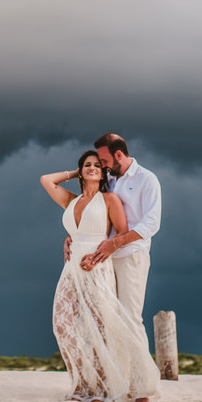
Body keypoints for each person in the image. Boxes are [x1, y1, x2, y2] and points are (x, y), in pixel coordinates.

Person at [41, 151, 160, 402]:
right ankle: (83, 383)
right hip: (71, 267)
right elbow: (46, 180)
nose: (92, 168)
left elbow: (121, 233)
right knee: (63, 325)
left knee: (99, 328)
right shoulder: (71, 201)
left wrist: (98, 255)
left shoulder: (109, 199)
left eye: (97, 165)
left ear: (104, 172)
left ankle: (102, 388)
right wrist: (78, 172)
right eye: (87, 165)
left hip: (96, 264)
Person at [64, 134, 162, 330]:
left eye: (104, 161)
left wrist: (116, 243)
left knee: (130, 318)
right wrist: (73, 236)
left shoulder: (146, 179)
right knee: (106, 317)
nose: (102, 166)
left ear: (118, 155)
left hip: (131, 254)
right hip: (102, 258)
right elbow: (95, 212)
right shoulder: (108, 179)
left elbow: (152, 223)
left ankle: (135, 353)